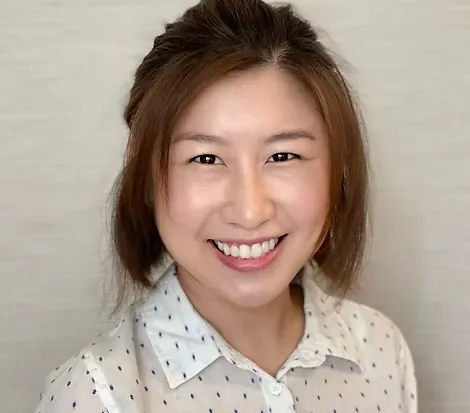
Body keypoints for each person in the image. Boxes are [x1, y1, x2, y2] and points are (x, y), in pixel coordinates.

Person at [34, 0, 417, 412]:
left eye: (283, 156)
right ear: (144, 171)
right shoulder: (97, 394)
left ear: (337, 168)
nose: (250, 212)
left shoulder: (381, 351)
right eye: (206, 159)